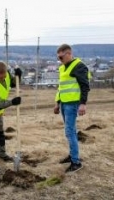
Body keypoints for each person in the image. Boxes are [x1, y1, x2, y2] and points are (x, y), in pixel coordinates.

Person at [54, 44, 90, 173]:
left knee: (70, 132)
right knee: (71, 131)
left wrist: (83, 103)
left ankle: (76, 162)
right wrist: (57, 103)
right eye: (58, 57)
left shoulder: (79, 66)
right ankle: (72, 155)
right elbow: (61, 87)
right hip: (64, 103)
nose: (59, 60)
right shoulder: (63, 68)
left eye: (61, 57)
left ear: (68, 53)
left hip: (73, 104)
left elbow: (85, 86)